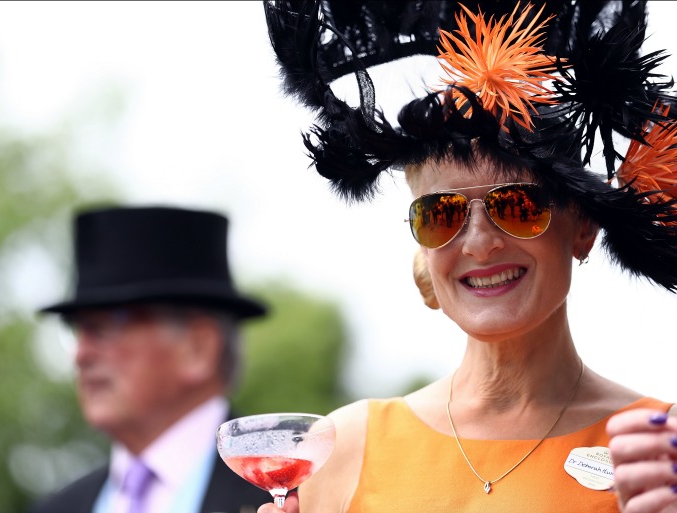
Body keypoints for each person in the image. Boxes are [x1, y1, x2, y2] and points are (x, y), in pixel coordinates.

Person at [260, 1, 676, 512]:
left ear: (583, 227)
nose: (480, 242)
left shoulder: (658, 455)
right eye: (442, 214)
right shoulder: (342, 449)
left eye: (517, 205)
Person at [29, 205, 271, 513]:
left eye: (105, 327)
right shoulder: (56, 508)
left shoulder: (296, 498)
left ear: (198, 348)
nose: (81, 354)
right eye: (77, 330)